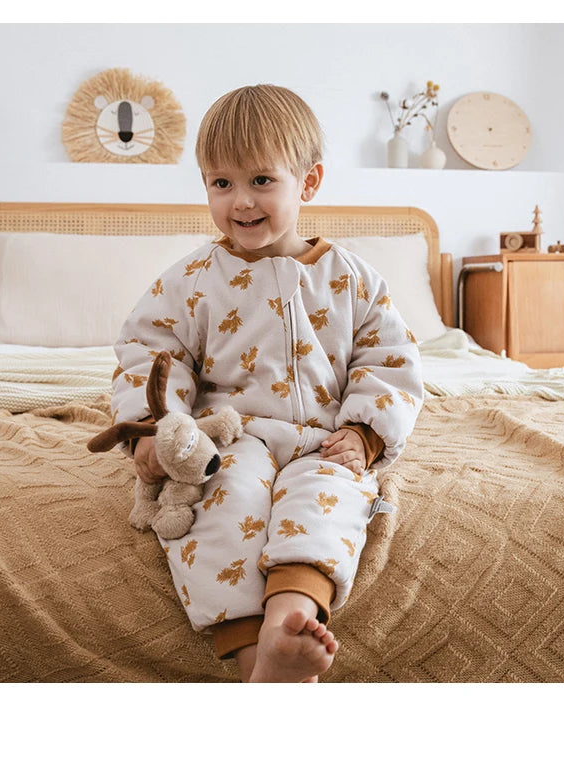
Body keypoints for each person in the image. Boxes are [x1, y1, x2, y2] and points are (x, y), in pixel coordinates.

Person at [110, 84, 424, 682]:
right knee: (222, 508)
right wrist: (156, 428)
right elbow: (151, 352)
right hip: (235, 437)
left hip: (326, 438)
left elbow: (388, 358)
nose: (241, 201)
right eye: (221, 183)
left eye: (261, 180)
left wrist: (365, 433)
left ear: (307, 182)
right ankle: (262, 665)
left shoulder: (352, 278)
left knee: (325, 505)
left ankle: (291, 621)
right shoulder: (194, 278)